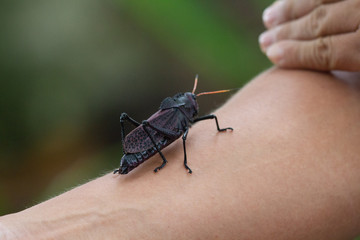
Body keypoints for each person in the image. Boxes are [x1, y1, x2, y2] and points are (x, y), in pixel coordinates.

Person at [1, 1, 360, 239]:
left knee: (195, 128)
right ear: (187, 105)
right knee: (175, 135)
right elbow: (180, 137)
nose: (195, 104)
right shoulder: (178, 116)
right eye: (194, 100)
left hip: (156, 142)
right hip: (149, 144)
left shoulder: (191, 112)